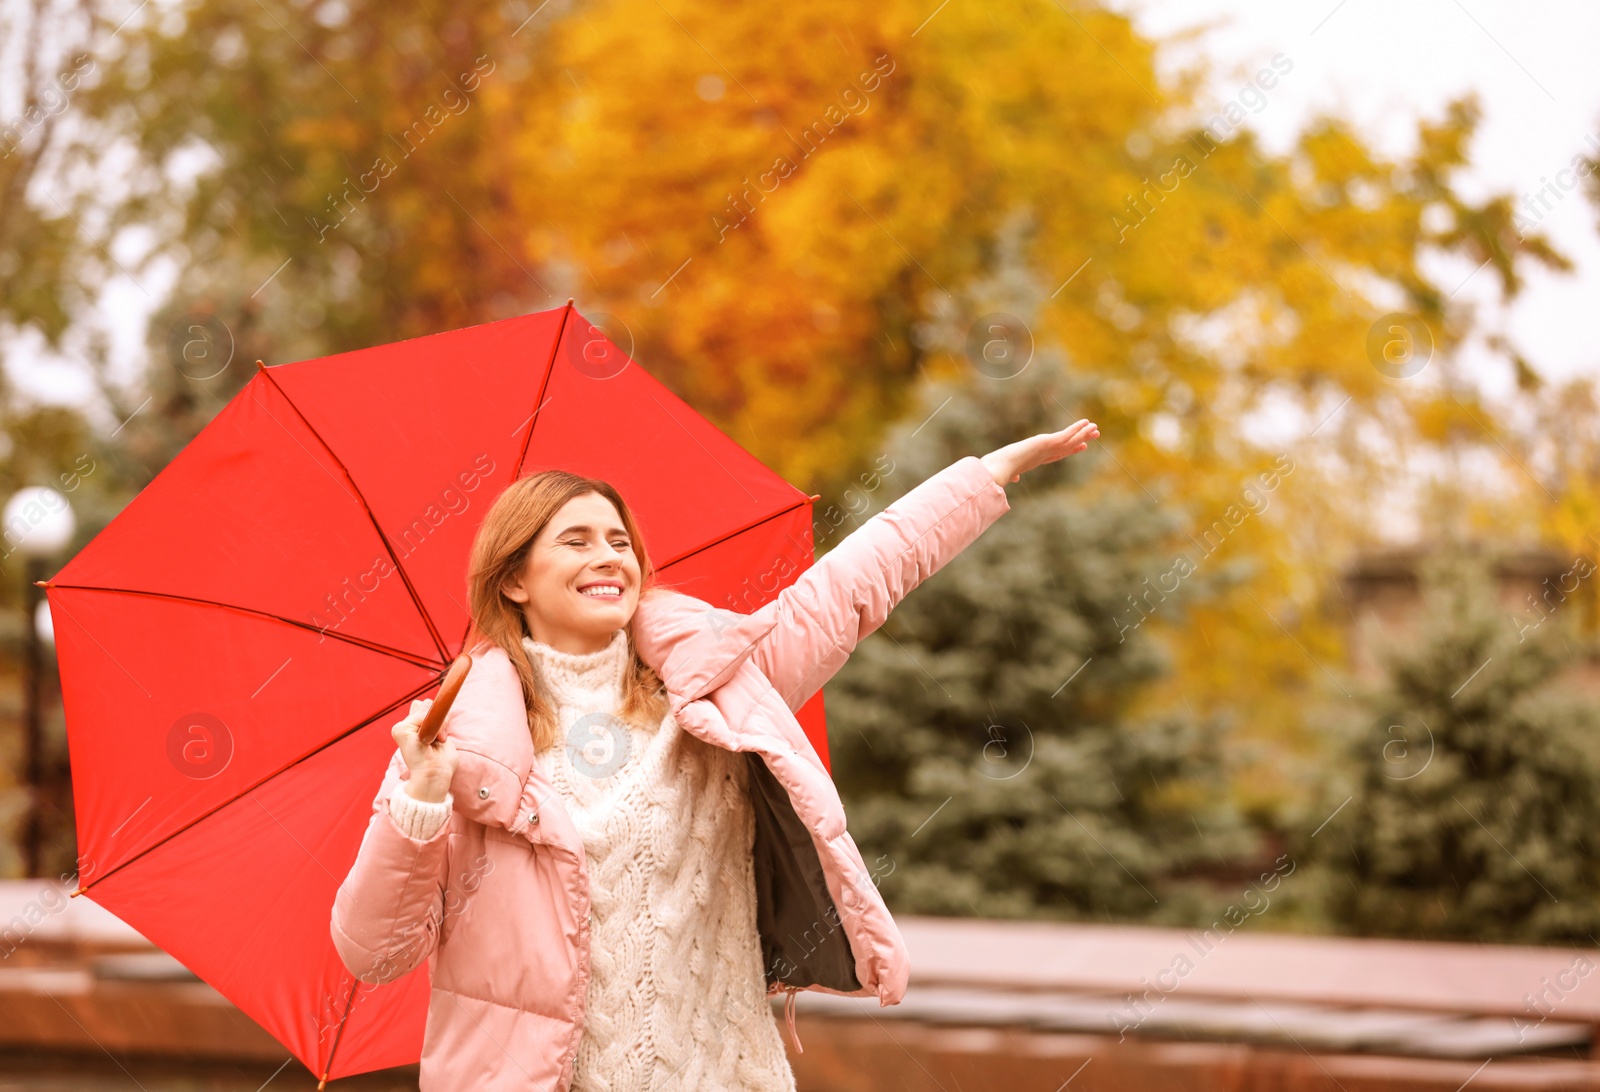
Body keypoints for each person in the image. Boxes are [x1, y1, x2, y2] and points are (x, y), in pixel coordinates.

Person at [330, 419, 1100, 1091]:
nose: (610, 557)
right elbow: (375, 952)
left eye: (620, 541)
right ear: (514, 581)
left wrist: (988, 474)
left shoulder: (714, 690)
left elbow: (851, 586)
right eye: (576, 541)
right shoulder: (458, 746)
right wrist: (419, 804)